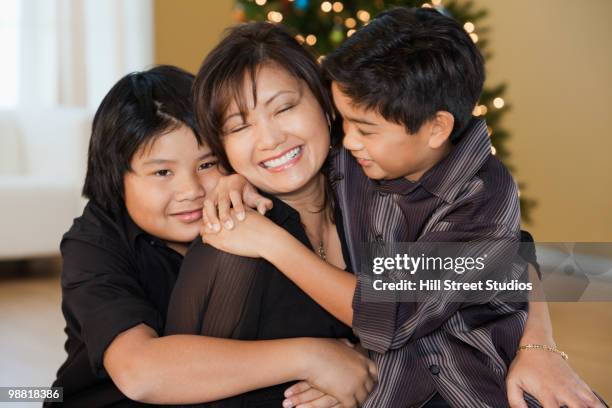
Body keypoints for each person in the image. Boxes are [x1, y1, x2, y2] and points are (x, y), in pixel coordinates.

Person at [199, 10, 605, 408]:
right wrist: (235, 177)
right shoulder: (360, 156)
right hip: (392, 387)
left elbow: (388, 311)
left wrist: (539, 345)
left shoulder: (481, 192)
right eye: (344, 122)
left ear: (436, 128)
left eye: (363, 129)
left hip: (485, 385)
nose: (349, 139)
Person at [47, 65, 375, 407]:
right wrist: (312, 357)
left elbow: (413, 302)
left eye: (206, 165)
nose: (190, 190)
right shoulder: (95, 242)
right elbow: (139, 372)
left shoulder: (263, 206)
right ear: (117, 179)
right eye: (162, 172)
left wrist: (357, 365)